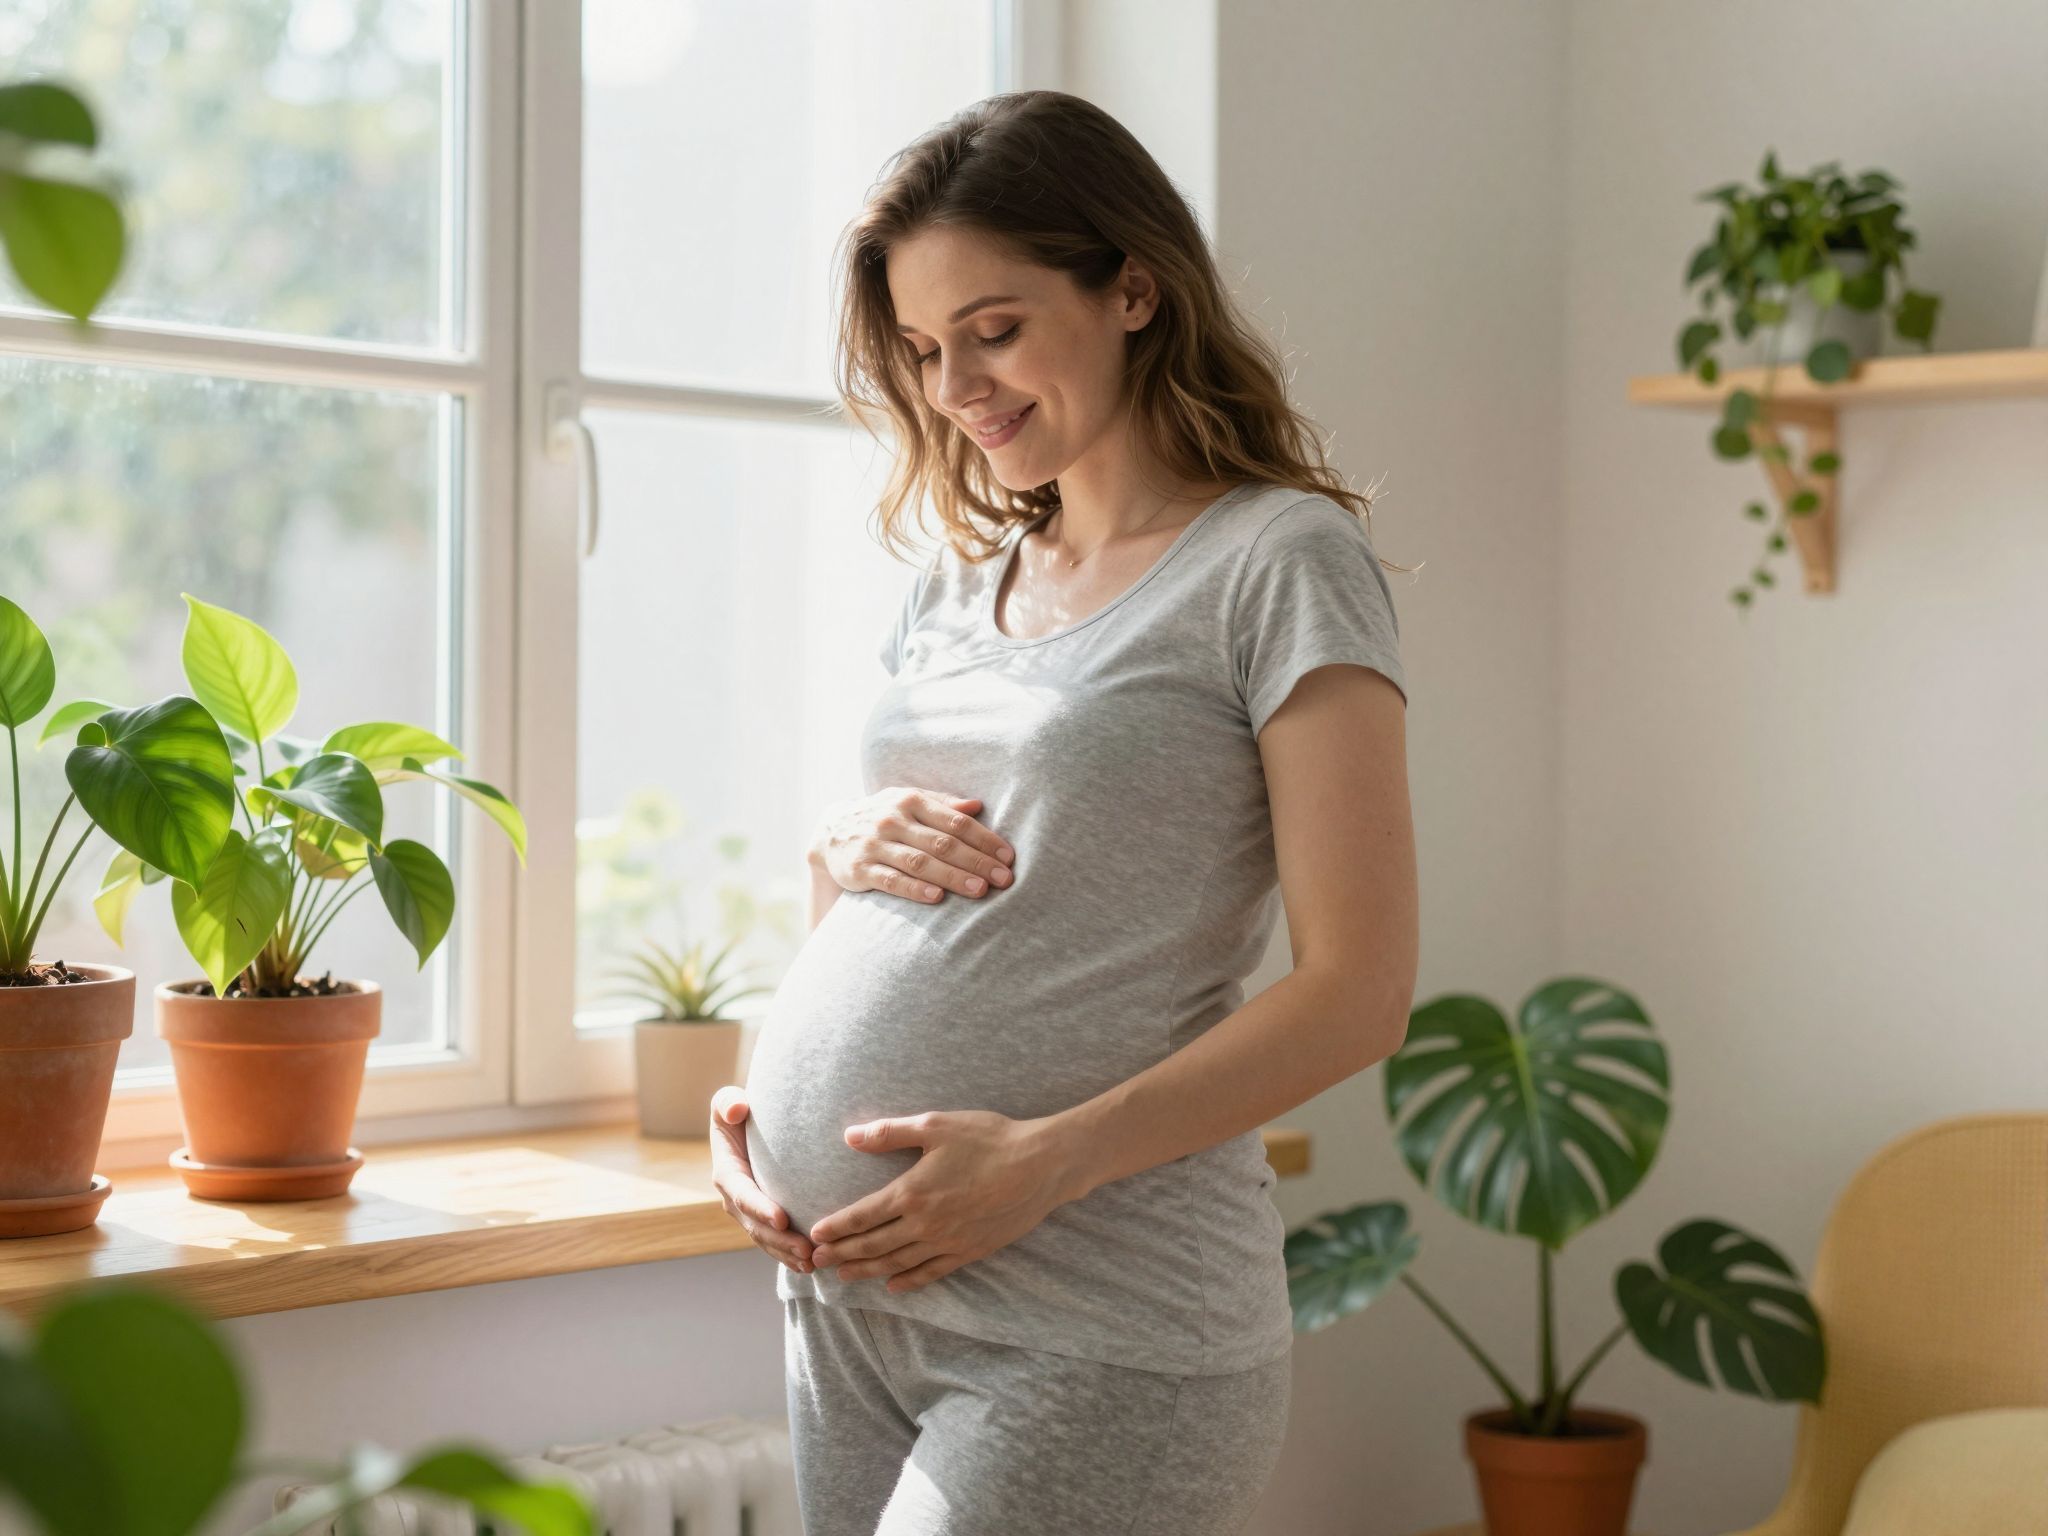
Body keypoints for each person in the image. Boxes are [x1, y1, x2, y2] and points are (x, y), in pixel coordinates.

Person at [707, 88, 1419, 1536]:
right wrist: (763, 1084)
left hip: (1102, 1314)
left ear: (1134, 288)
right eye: (921, 348)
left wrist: (1046, 1161)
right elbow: (951, 909)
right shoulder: (952, 590)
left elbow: (1362, 993)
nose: (956, 382)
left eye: (996, 326)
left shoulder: (1278, 561)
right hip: (852, 1293)